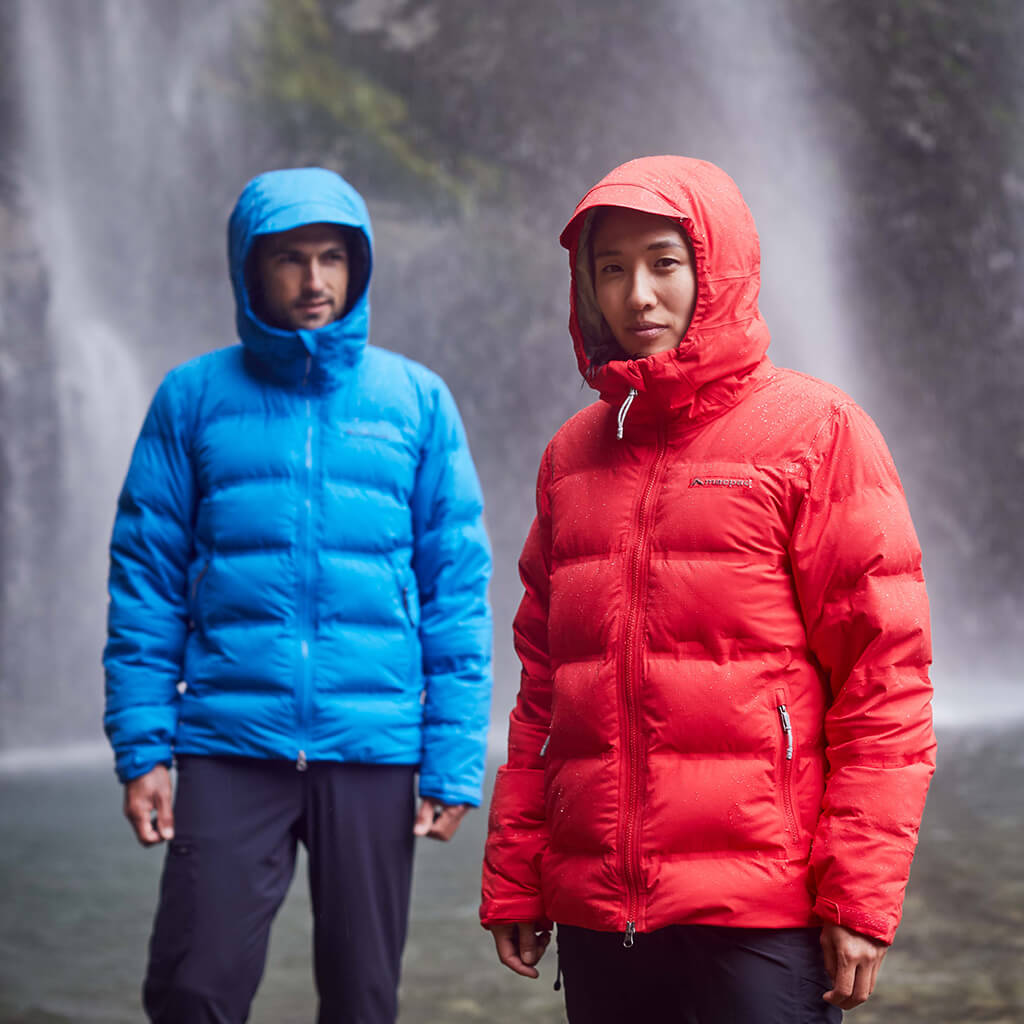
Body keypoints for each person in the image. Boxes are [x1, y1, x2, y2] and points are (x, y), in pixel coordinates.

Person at [480, 155, 935, 1022]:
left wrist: (861, 897)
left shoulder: (819, 431)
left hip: (761, 909)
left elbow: (885, 682)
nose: (638, 296)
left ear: (716, 268)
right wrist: (517, 873)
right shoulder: (571, 457)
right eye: (611, 270)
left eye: (663, 263)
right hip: (601, 909)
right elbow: (545, 692)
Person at [103, 166, 493, 1024]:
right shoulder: (193, 398)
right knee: (193, 989)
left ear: (358, 268)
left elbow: (456, 591)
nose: (313, 282)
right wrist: (143, 750)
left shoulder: (417, 402)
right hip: (230, 743)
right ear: (250, 269)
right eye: (288, 260)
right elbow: (146, 584)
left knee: (361, 998)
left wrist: (454, 755)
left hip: (374, 748)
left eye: (330, 258)